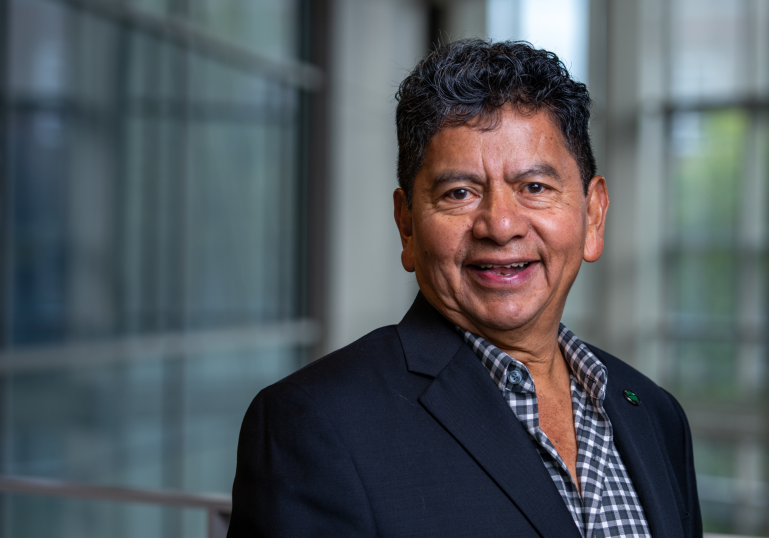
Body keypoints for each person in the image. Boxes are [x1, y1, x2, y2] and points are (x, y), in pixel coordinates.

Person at [227, 39, 701, 538]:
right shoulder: (315, 424)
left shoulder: (654, 415)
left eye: (534, 188)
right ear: (407, 227)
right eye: (459, 193)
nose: (499, 225)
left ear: (593, 216)